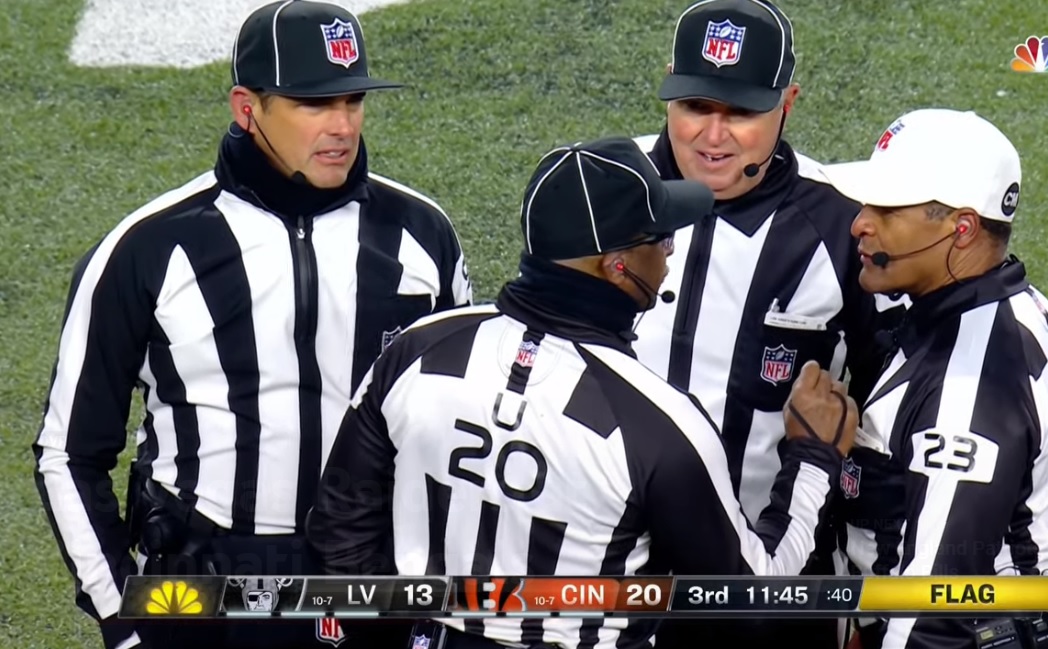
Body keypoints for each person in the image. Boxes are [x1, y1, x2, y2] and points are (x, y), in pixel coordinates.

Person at [31, 2, 471, 648]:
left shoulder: (421, 234)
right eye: (313, 104)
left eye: (352, 101)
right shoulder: (147, 248)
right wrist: (121, 619)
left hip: (372, 579)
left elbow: (458, 424)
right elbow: (68, 452)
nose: (341, 126)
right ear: (247, 108)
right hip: (201, 588)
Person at [305, 136, 857, 649]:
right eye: (660, 238)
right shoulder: (658, 424)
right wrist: (813, 457)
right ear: (617, 267)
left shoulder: (418, 348)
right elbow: (750, 598)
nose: (670, 252)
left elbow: (339, 531)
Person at [632, 0, 901, 646]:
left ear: (788, 101)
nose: (713, 136)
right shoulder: (602, 190)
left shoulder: (843, 228)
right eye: (696, 106)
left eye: (741, 113)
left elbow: (887, 427)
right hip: (611, 573)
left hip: (777, 582)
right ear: (667, 86)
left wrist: (873, 604)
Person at [820, 108, 1048, 649]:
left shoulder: (967, 386)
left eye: (887, 209)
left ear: (961, 228)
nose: (860, 224)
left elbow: (933, 610)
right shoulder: (1018, 309)